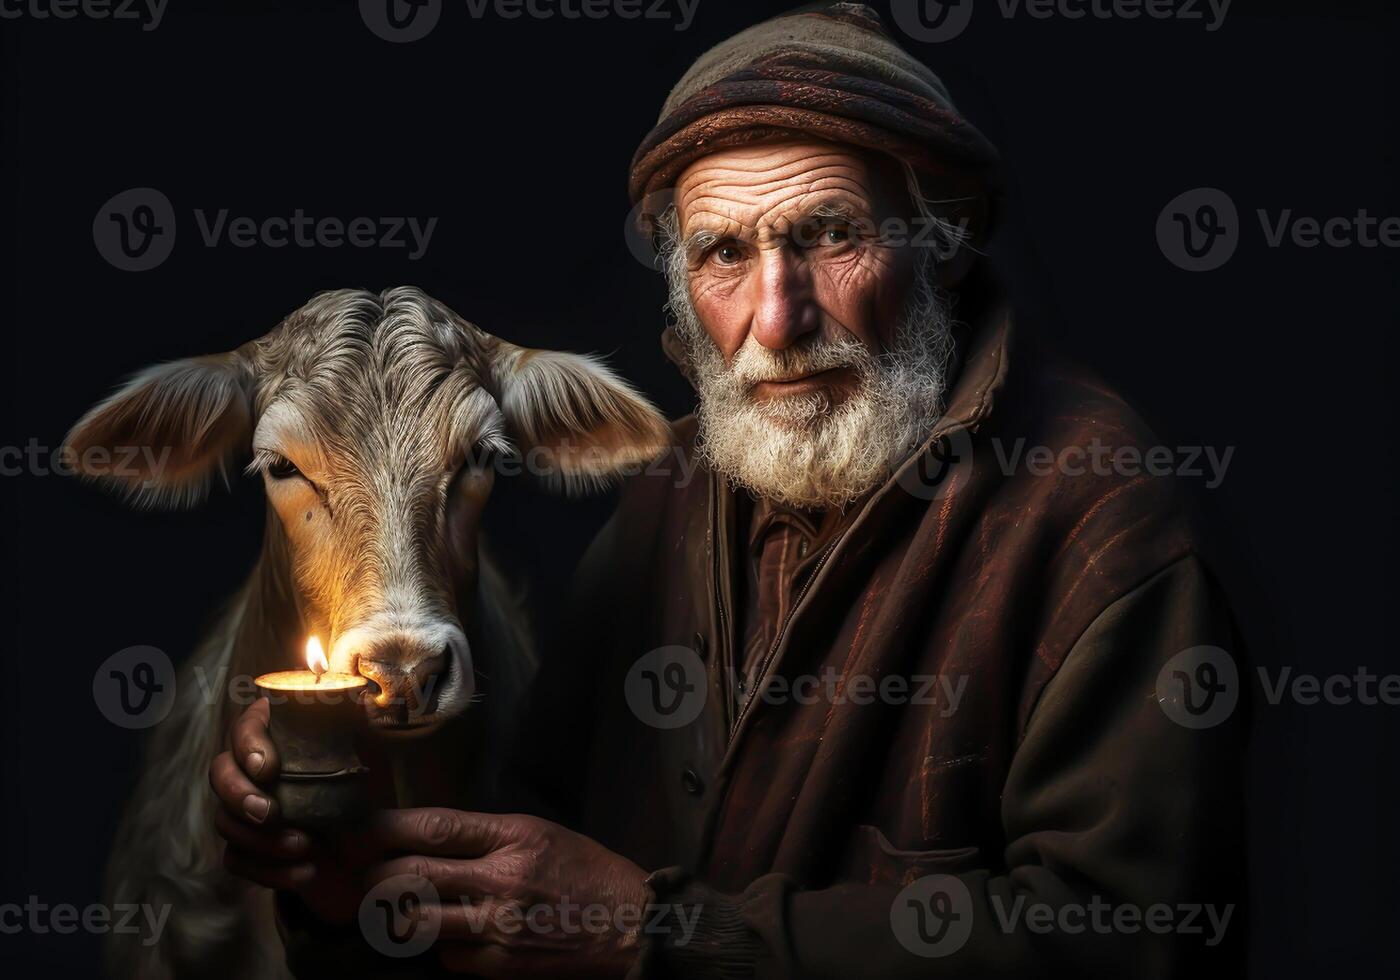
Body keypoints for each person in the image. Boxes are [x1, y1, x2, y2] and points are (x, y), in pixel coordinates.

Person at [211, 5, 1246, 976]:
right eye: (721, 252)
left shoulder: (1099, 516)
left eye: (830, 235)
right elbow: (526, 872)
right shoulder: (670, 484)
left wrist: (663, 935)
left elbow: (1128, 939)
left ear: (940, 245)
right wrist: (345, 867)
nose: (775, 315)